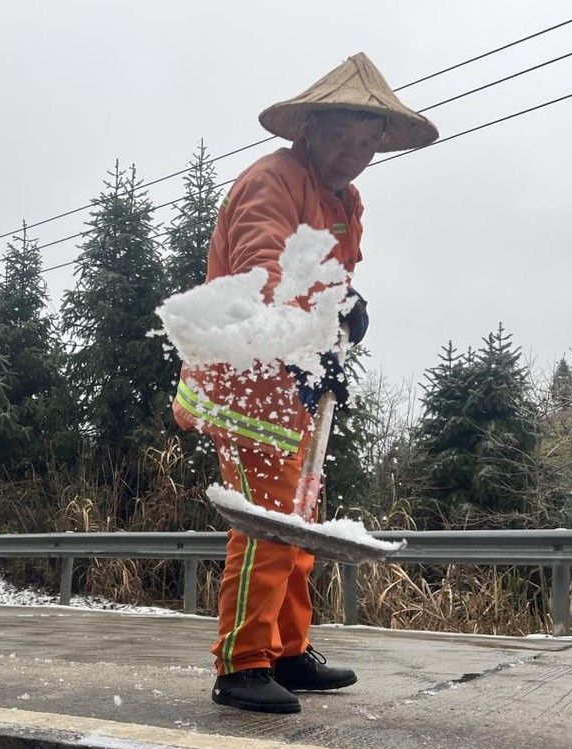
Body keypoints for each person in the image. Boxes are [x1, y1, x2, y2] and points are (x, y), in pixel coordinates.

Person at [172, 53, 438, 713]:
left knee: (298, 521)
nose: (354, 153)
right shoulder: (274, 181)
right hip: (240, 377)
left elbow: (329, 281)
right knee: (265, 522)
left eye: (368, 142)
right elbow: (265, 267)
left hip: (290, 384)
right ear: (311, 129)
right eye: (343, 137)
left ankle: (287, 651)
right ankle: (241, 665)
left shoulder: (344, 201)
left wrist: (340, 331)